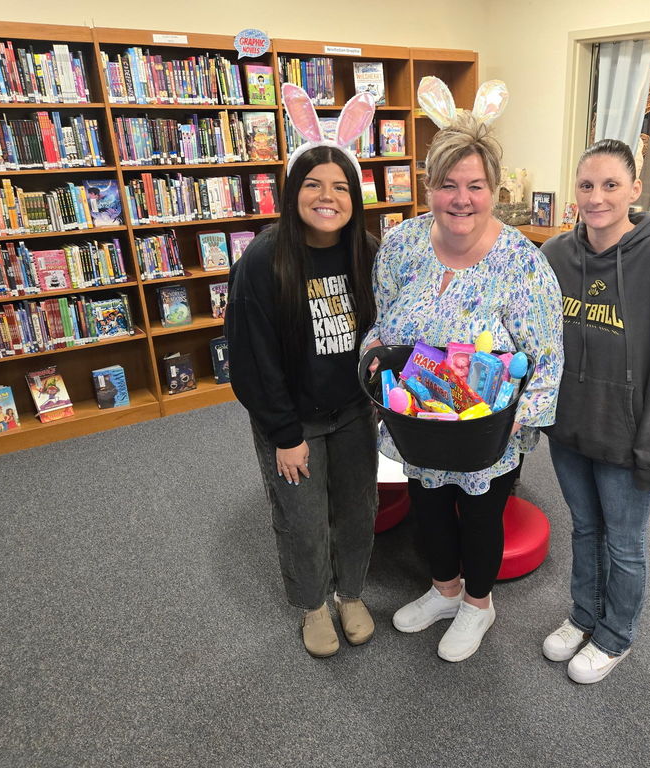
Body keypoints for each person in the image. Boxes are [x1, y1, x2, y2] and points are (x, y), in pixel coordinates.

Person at [363, 79, 563, 663]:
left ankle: (479, 603)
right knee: (427, 510)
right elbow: (382, 322)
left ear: (494, 189)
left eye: (475, 185)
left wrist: (514, 425)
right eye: (447, 184)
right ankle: (444, 590)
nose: (461, 198)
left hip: (486, 430)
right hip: (419, 419)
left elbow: (546, 355)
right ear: (428, 186)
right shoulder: (400, 246)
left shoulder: (522, 262)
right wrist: (375, 364)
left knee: (480, 514)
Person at [540, 138, 650, 684]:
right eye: (587, 185)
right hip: (569, 431)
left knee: (626, 544)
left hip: (628, 436)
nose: (597, 197)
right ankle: (583, 616)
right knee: (585, 529)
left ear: (634, 190)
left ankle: (616, 635)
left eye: (611, 184)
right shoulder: (556, 256)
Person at [226, 91, 380, 658]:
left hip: (353, 413)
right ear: (293, 192)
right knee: (302, 515)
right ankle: (314, 605)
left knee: (358, 507)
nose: (327, 196)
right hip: (293, 421)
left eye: (341, 186)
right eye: (314, 183)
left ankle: (352, 593)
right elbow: (251, 359)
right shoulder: (265, 261)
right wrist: (284, 434)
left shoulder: (367, 252)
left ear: (354, 197)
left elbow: (381, 339)